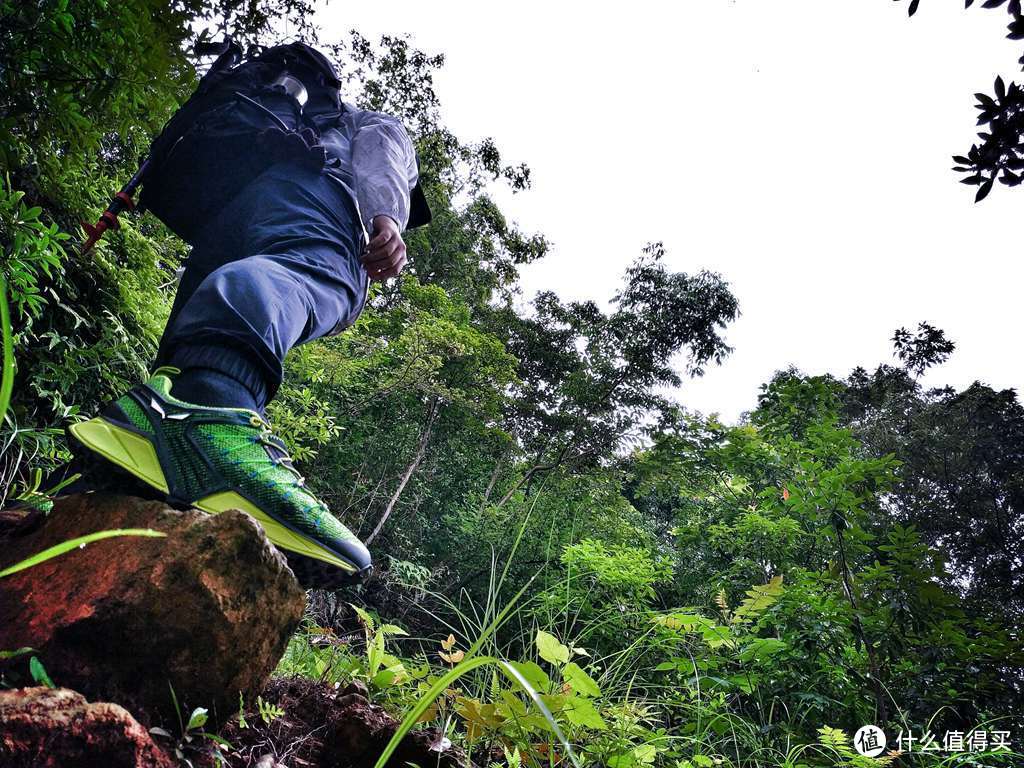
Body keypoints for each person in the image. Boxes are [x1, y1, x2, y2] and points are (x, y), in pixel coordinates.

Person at [67, 47, 426, 588]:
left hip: (232, 212)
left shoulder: (271, 120)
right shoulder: (362, 121)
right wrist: (387, 219)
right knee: (313, 276)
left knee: (190, 350)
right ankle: (212, 415)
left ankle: (133, 455)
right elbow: (380, 153)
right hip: (320, 197)